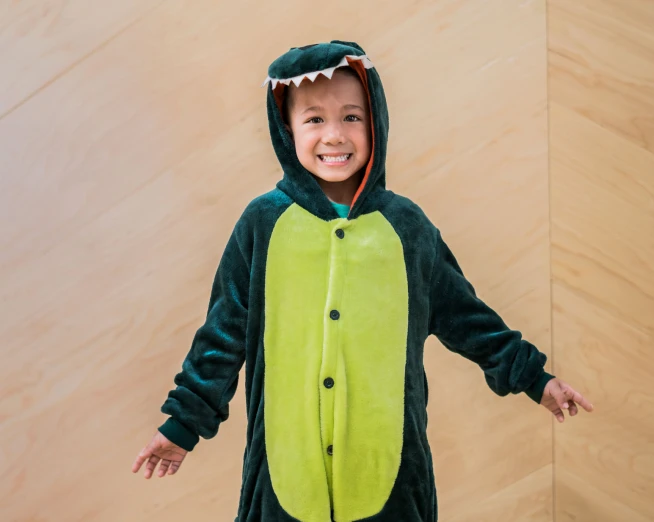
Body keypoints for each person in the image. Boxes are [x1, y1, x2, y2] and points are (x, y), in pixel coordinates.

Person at [131, 40, 593, 522]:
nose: (335, 135)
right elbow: (223, 334)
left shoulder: (407, 228)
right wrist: (183, 425)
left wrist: (534, 378)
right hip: (287, 472)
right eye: (314, 119)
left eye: (352, 117)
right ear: (286, 130)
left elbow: (467, 318)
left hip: (389, 470)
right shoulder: (262, 224)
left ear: (377, 124)